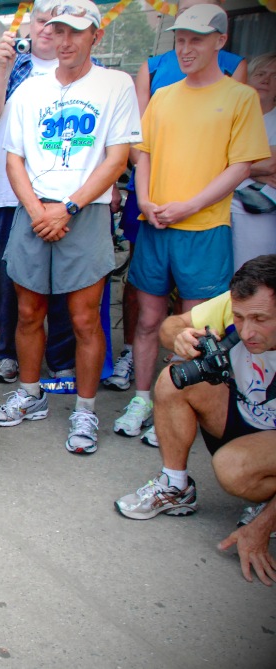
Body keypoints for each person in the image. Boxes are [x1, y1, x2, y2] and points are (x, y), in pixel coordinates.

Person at [0, 0, 141, 454]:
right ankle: (30, 394)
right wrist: (38, 211)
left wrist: (69, 208)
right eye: (58, 30)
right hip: (34, 211)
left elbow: (117, 158)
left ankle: (86, 410)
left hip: (85, 212)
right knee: (28, 313)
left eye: (76, 31)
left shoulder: (115, 84)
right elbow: (14, 159)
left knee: (84, 319)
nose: (65, 40)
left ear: (95, 34)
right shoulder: (29, 90)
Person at [117, 4, 270, 443]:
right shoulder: (164, 96)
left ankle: (176, 404)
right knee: (148, 319)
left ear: (220, 42)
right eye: (180, 40)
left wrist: (189, 206)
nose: (185, 49)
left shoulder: (240, 97)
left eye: (196, 41)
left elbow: (241, 166)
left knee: (195, 327)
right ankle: (141, 399)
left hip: (205, 230)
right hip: (156, 226)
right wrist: (146, 200)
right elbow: (143, 154)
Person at [115, 255, 276, 586]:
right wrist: (180, 337)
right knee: (174, 378)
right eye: (240, 317)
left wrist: (262, 527)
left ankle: (267, 508)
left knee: (232, 469)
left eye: (260, 319)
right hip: (242, 410)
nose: (247, 331)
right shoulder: (234, 303)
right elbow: (171, 326)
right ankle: (175, 485)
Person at [0, 0, 79, 389]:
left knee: (63, 284)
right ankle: (9, 355)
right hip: (6, 195)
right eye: (42, 20)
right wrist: (2, 66)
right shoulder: (7, 61)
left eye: (57, 24)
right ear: (30, 23)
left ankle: (62, 360)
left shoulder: (85, 71)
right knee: (6, 284)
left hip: (62, 199)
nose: (47, 29)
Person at [230, 53, 276, 270]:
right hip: (219, 208)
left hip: (257, 213)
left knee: (251, 271)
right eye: (260, 73)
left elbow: (272, 164)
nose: (266, 80)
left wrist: (230, 166)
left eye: (274, 76)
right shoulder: (232, 115)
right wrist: (256, 169)